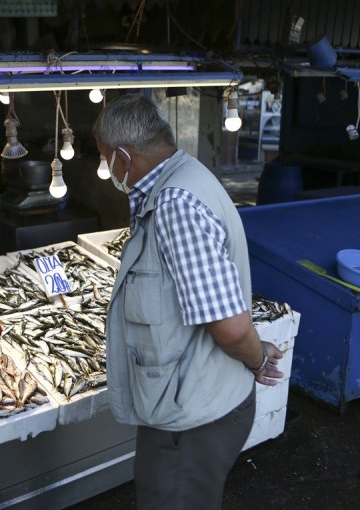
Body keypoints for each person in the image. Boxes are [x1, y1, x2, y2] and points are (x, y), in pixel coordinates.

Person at [93, 94, 284, 510]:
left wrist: (255, 359)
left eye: (107, 159)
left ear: (124, 157)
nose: (108, 169)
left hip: (192, 422)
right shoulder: (186, 174)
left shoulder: (176, 204)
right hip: (196, 404)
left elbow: (231, 328)